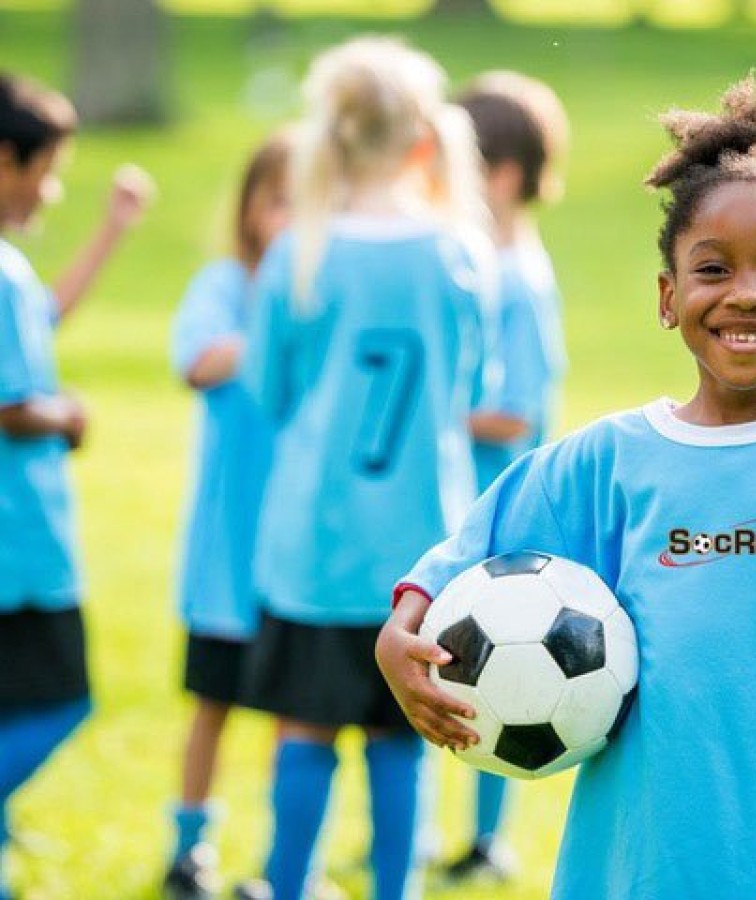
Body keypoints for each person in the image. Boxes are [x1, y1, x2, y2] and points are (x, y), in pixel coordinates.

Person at [377, 73, 756, 900]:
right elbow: (464, 554)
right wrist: (398, 632)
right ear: (668, 296)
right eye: (714, 267)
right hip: (637, 869)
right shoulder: (606, 461)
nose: (748, 295)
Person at [235, 36, 494, 900]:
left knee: (305, 730)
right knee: (397, 735)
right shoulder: (458, 256)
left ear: (331, 142)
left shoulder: (299, 254)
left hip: (313, 543)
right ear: (423, 141)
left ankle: (288, 883)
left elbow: (267, 387)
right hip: (418, 551)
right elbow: (475, 386)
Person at [0, 73, 153, 900]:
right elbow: (15, 402)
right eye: (44, 169)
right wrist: (65, 416)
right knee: (64, 700)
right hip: (19, 545)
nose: (50, 189)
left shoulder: (11, 276)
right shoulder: (2, 273)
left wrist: (112, 232)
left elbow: (40, 323)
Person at [437, 70, 569, 886]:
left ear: (503, 175)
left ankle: (487, 839)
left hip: (503, 506)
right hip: (478, 498)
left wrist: (435, 415)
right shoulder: (501, 259)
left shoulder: (514, 276)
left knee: (504, 677)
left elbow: (513, 412)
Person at [164, 130, 296, 900]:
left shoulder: (327, 299)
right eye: (275, 202)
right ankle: (190, 845)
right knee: (212, 704)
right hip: (227, 551)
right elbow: (198, 361)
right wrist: (272, 330)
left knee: (290, 715)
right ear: (248, 209)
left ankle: (280, 858)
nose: (286, 220)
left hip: (293, 555)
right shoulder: (225, 285)